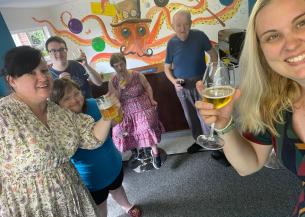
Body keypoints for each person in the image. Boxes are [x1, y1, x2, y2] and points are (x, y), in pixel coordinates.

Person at [195, 0, 305, 216]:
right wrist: (225, 125)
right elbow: (248, 165)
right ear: (261, 52)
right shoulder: (274, 104)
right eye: (272, 36)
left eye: (301, 23)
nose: (291, 44)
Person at [0, 45, 117, 216]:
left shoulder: (58, 111)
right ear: (12, 81)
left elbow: (91, 137)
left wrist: (107, 116)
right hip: (30, 204)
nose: (43, 77)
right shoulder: (4, 115)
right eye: (31, 73)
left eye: (44, 70)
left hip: (72, 194)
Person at [50, 78, 142, 217]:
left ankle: (126, 206)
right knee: (100, 206)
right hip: (90, 178)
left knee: (117, 188)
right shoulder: (61, 125)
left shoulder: (94, 103)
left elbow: (115, 122)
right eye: (67, 98)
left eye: (76, 93)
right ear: (57, 104)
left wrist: (117, 109)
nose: (75, 100)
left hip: (113, 163)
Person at [164, 9, 228, 164]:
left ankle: (217, 148)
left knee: (207, 115)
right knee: (191, 117)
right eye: (178, 25)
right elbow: (167, 68)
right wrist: (174, 82)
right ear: (173, 27)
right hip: (182, 86)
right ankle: (199, 141)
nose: (182, 28)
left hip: (201, 83)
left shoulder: (199, 36)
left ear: (191, 24)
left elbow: (213, 55)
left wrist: (210, 76)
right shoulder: (171, 43)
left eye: (186, 24)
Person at [108, 53, 164, 169]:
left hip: (141, 103)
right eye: (116, 66)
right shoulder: (113, 80)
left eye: (122, 64)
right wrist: (119, 88)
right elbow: (114, 99)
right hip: (124, 107)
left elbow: (147, 86)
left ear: (125, 63)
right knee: (119, 128)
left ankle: (155, 153)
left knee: (147, 125)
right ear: (113, 67)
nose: (120, 68)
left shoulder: (137, 75)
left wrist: (152, 99)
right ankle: (135, 151)